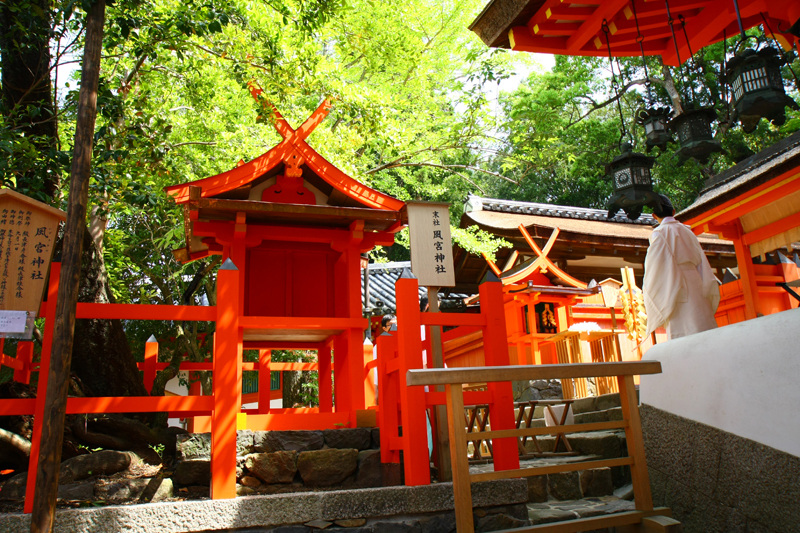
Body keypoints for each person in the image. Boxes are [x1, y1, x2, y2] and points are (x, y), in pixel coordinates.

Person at [643, 194, 720, 340]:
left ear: (654, 216)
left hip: (676, 284)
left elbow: (655, 267)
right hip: (697, 281)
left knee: (684, 330)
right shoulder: (688, 231)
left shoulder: (659, 233)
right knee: (703, 324)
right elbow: (700, 260)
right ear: (673, 211)